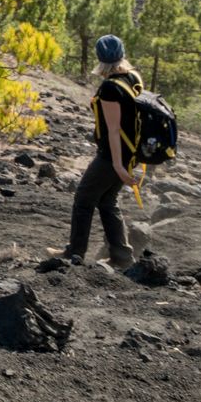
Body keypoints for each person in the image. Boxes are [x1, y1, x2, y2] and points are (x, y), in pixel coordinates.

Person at [60, 34, 140, 267]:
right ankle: (122, 256)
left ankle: (74, 254)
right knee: (107, 202)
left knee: (83, 199)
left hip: (112, 155)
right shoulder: (133, 77)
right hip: (130, 153)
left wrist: (117, 165)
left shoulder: (109, 88)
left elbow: (114, 130)